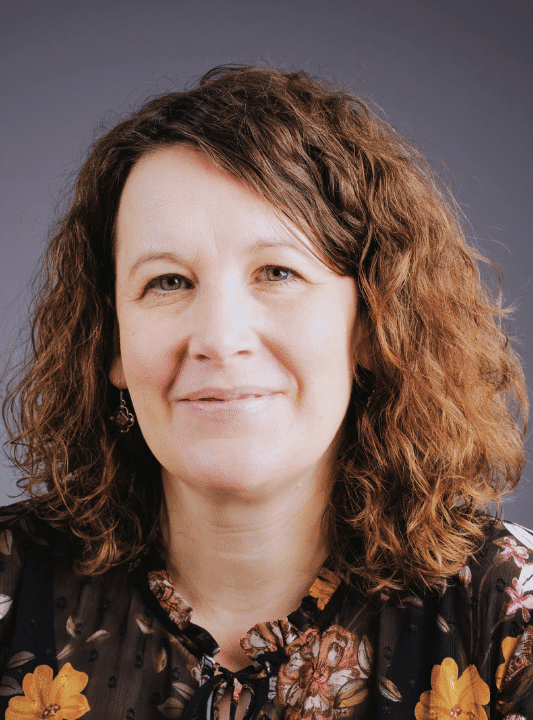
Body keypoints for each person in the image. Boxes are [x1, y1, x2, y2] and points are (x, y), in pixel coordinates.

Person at [0, 64, 530, 720]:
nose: (219, 339)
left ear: (372, 324)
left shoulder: (505, 614)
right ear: (110, 342)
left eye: (277, 272)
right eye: (167, 281)